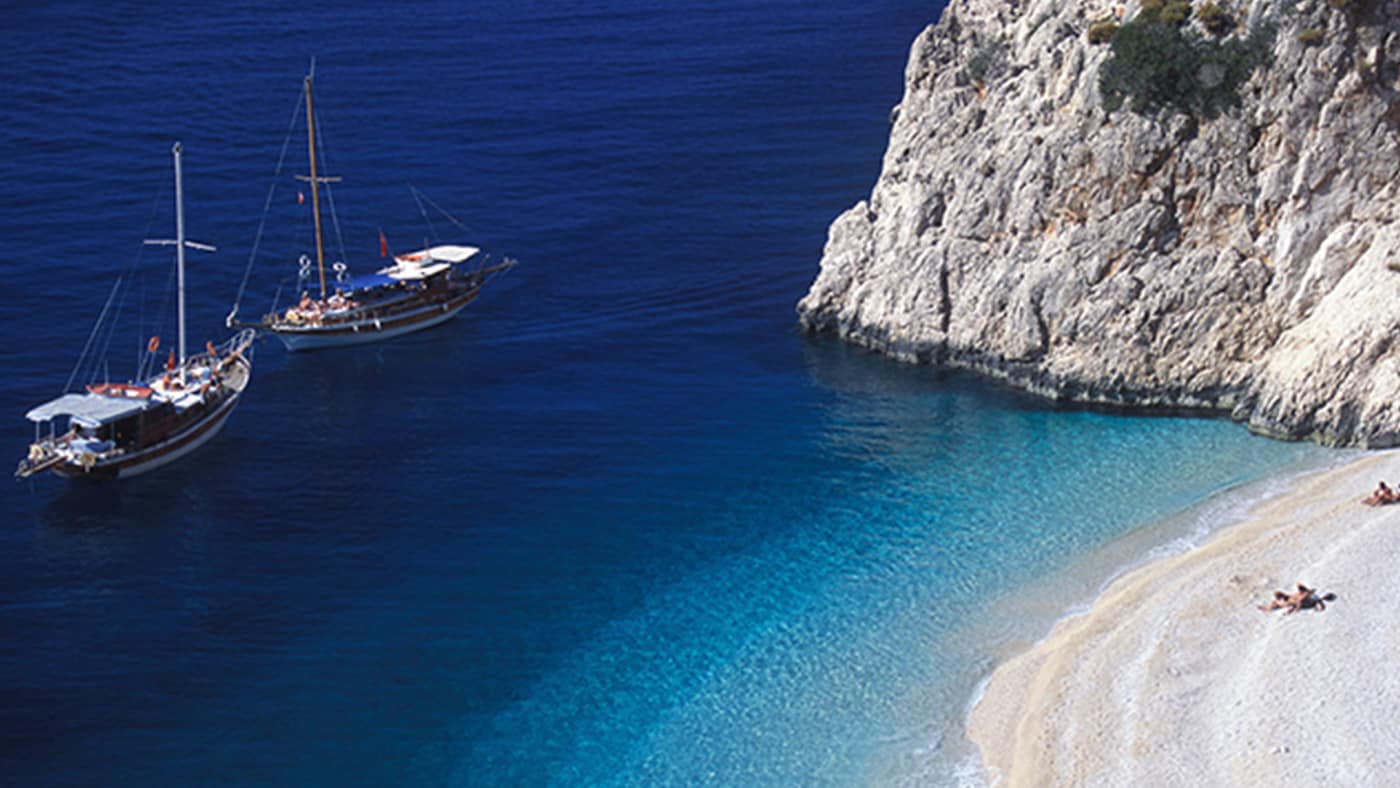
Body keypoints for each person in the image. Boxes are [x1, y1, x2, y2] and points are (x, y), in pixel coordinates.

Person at [1259, 583, 1335, 615]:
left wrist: (1293, 609)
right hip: (1293, 599)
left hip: (1293, 602)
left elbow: (1321, 608)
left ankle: (1267, 609)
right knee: (1277, 596)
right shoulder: (1314, 597)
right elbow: (1300, 587)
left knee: (1279, 602)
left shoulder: (1313, 603)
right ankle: (1267, 608)